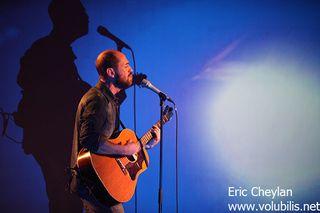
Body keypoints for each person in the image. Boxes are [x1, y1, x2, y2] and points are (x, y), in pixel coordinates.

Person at [70, 50, 160, 212]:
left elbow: (110, 142)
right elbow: (90, 140)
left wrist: (144, 145)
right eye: (126, 66)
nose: (130, 69)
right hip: (93, 183)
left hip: (100, 182)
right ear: (111, 72)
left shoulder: (110, 100)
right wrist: (127, 149)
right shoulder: (97, 100)